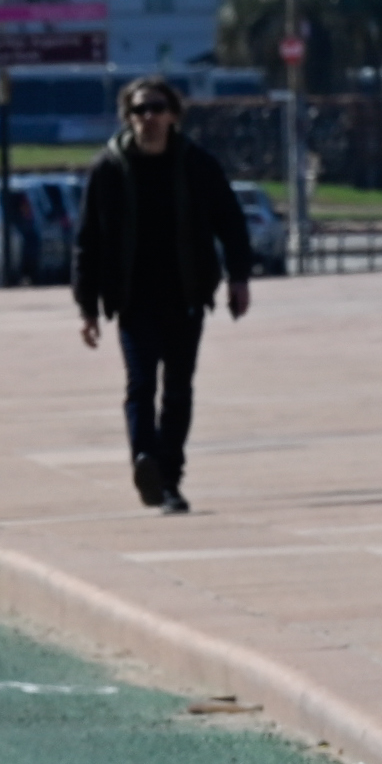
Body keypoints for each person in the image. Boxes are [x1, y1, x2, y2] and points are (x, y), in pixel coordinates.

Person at [73, 76, 253, 515]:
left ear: (173, 114)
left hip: (185, 296)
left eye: (155, 108)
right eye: (138, 111)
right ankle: (145, 459)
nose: (147, 118)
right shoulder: (109, 169)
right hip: (133, 300)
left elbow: (229, 222)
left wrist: (238, 279)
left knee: (177, 391)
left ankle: (169, 478)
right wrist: (87, 308)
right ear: (127, 118)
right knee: (139, 385)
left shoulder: (197, 164)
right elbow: (88, 242)